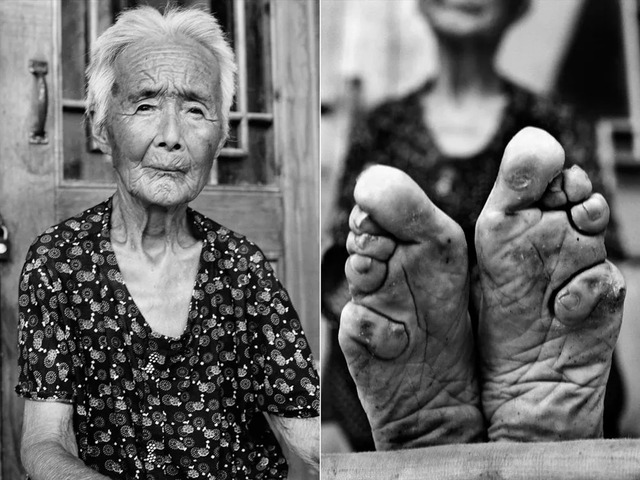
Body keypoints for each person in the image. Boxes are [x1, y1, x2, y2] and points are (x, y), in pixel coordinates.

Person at [16, 6, 319, 479]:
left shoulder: (244, 269)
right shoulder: (59, 263)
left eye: (196, 110)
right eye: (145, 105)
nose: (172, 137)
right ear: (100, 126)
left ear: (220, 137)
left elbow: (306, 431)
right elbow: (43, 443)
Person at [322, 0, 626, 451]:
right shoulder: (380, 127)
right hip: (391, 373)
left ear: (518, 8)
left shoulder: (554, 121)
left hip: (556, 352)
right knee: (374, 295)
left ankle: (506, 408)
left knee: (577, 292)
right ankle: (447, 401)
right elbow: (342, 270)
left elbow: (609, 263)